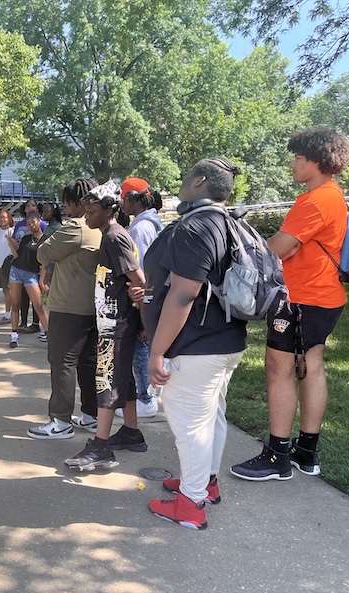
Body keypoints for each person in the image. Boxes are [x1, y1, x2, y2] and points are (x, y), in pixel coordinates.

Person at [231, 127, 349, 482]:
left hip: (301, 298)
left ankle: (277, 455)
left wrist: (245, 250)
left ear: (316, 161)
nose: (293, 164)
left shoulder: (314, 200)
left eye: (298, 158)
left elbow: (279, 248)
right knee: (310, 367)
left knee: (279, 370)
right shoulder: (333, 195)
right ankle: (306, 451)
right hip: (324, 296)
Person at [141, 157, 246, 530]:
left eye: (187, 176)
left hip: (196, 345)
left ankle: (190, 505)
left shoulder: (196, 225)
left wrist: (157, 352)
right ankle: (204, 484)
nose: (183, 182)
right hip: (226, 339)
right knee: (211, 417)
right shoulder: (228, 223)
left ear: (200, 180)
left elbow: (184, 294)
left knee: (190, 427)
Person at [63, 181, 148, 471]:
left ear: (109, 210)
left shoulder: (114, 236)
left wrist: (144, 319)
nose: (86, 217)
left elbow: (140, 281)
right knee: (123, 379)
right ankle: (131, 432)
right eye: (85, 211)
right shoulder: (109, 234)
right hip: (112, 318)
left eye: (91, 211)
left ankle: (100, 447)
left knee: (107, 381)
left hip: (116, 322)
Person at [28, 177, 102, 440]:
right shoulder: (103, 225)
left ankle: (60, 421)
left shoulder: (75, 227)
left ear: (73, 203)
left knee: (62, 363)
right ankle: (92, 415)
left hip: (69, 306)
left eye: (66, 202)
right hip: (94, 306)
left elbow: (42, 253)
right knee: (88, 364)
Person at [116, 178, 165, 419]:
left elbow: (142, 268)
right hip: (150, 295)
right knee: (145, 345)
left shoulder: (141, 228)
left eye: (124, 198)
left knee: (140, 344)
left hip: (143, 295)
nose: (122, 203)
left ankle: (146, 397)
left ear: (136, 199)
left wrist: (143, 305)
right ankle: (150, 392)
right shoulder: (149, 223)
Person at [6, 213, 49, 348]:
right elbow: (17, 255)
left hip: (31, 274)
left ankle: (50, 335)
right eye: (29, 224)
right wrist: (9, 241)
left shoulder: (46, 240)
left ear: (39, 222)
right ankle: (14, 335)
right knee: (15, 304)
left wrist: (41, 281)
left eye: (33, 222)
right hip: (16, 271)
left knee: (39, 306)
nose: (31, 226)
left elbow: (44, 264)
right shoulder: (25, 238)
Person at [13, 199, 47, 333]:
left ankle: (37, 324)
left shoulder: (43, 225)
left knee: (37, 302)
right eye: (28, 206)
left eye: (33, 205)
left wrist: (43, 277)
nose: (31, 207)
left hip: (35, 269)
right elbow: (17, 245)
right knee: (22, 298)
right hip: (21, 266)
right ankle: (23, 322)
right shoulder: (20, 225)